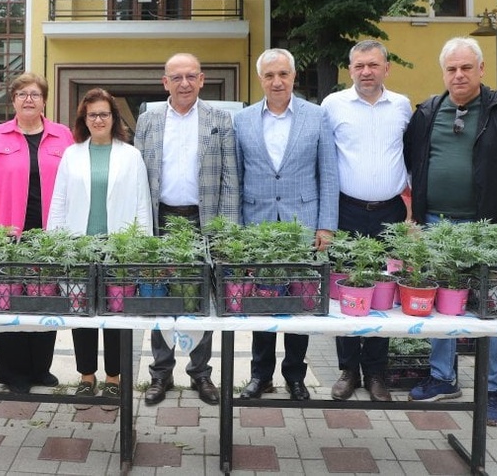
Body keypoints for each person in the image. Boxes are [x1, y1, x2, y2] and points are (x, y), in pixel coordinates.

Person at [403, 37, 497, 425]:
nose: (459, 75)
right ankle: (443, 377)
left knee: (492, 308)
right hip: (436, 225)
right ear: (443, 73)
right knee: (442, 305)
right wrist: (415, 216)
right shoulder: (427, 111)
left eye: (466, 68)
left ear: (481, 69)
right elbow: (412, 161)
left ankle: (491, 388)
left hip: (487, 227)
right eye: (452, 69)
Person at [233, 48, 339, 402]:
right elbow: (238, 177)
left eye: (283, 74)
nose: (276, 81)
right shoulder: (243, 120)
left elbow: (328, 174)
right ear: (260, 79)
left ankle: (295, 376)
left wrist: (326, 226)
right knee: (261, 302)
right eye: (269, 75)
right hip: (258, 225)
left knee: (300, 302)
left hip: (303, 225)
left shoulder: (316, 116)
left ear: (293, 76)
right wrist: (238, 231)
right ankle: (260, 376)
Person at [134, 53, 239, 406]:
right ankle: (160, 374)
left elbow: (230, 180)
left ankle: (201, 374)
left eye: (191, 76)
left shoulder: (219, 120)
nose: (184, 83)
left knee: (200, 298)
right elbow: (138, 175)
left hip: (201, 221)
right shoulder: (148, 120)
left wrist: (224, 231)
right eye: (176, 77)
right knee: (159, 296)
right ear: (165, 82)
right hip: (160, 220)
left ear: (202, 79)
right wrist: (140, 227)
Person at [48, 88, 152, 407]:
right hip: (78, 246)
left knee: (115, 312)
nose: (98, 120)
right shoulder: (72, 154)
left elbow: (142, 204)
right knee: (82, 312)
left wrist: (140, 246)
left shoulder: (131, 156)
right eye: (91, 115)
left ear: (114, 118)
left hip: (118, 247)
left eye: (103, 114)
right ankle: (86, 376)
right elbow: (59, 201)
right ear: (84, 119)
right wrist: (55, 243)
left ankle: (113, 378)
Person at [320, 40, 411, 403]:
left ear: (386, 68)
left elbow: (411, 156)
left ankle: (376, 372)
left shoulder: (402, 106)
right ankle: (348, 370)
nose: (366, 72)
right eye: (359, 66)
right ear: (350, 70)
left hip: (389, 213)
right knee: (347, 290)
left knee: (382, 291)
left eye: (373, 65)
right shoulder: (332, 105)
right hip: (347, 210)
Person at [0, 72, 74, 394]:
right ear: (13, 100)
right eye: (21, 94)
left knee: (46, 298)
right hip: (7, 233)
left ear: (44, 100)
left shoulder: (63, 136)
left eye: (35, 94)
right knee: (9, 299)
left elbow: (75, 183)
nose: (28, 99)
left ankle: (40, 368)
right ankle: (13, 372)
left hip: (50, 234)